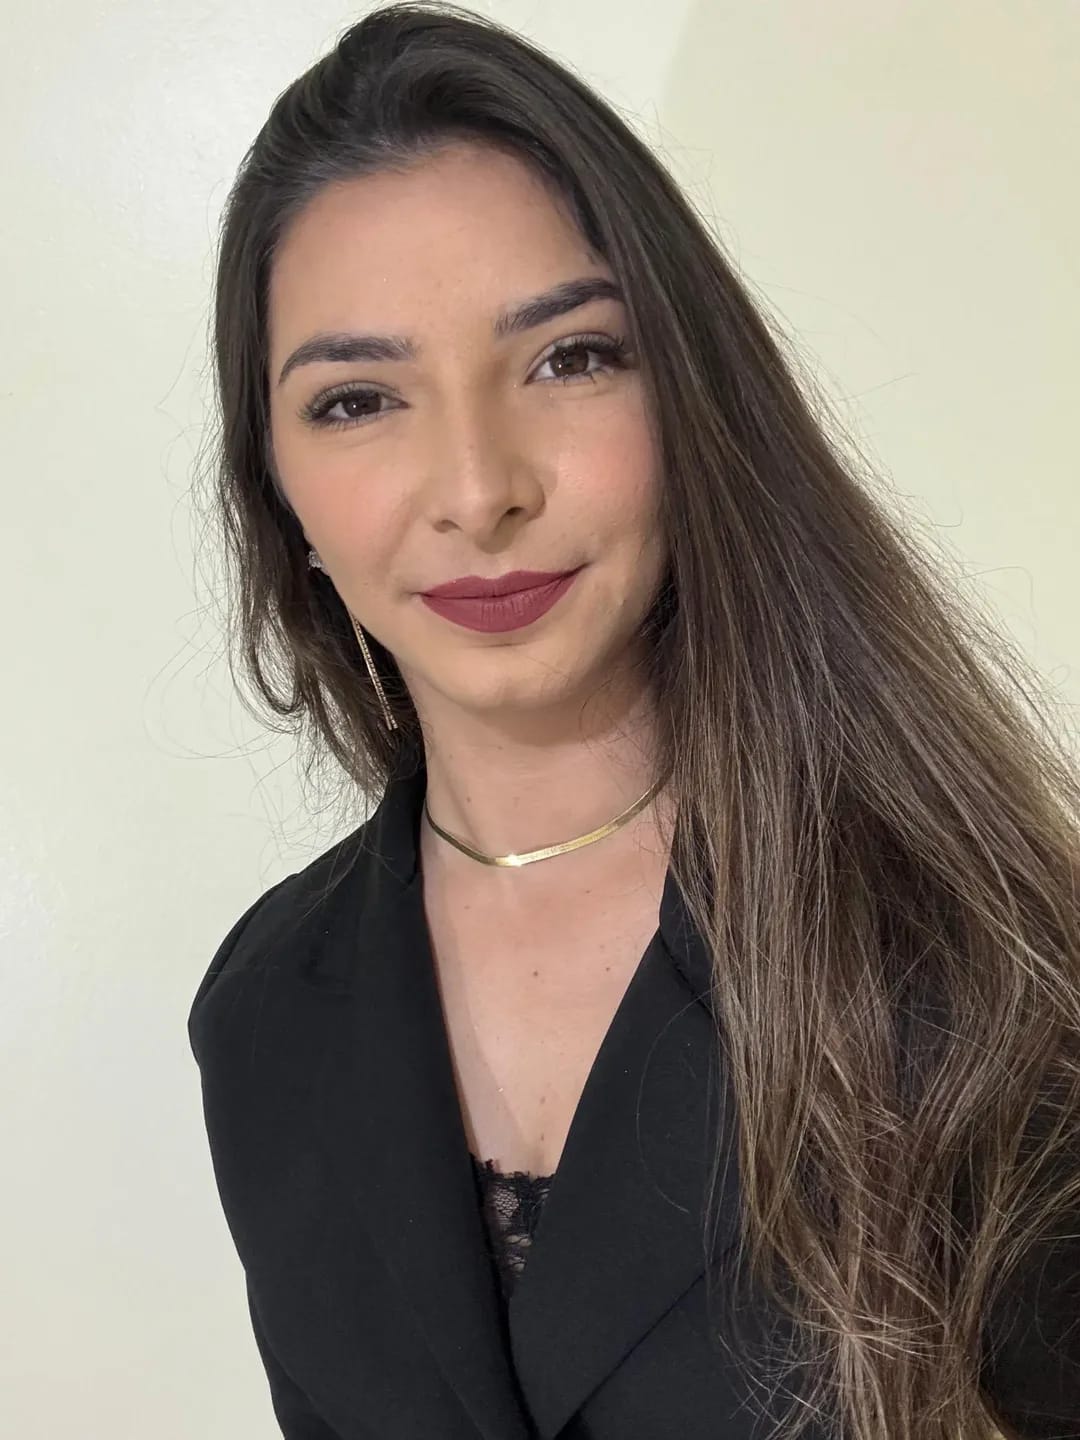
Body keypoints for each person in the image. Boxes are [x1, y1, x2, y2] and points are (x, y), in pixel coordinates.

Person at [187, 5, 1080, 1438]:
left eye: (568, 359)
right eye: (357, 400)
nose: (478, 489)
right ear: (278, 489)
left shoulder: (988, 968)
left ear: (692, 401)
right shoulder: (263, 1015)